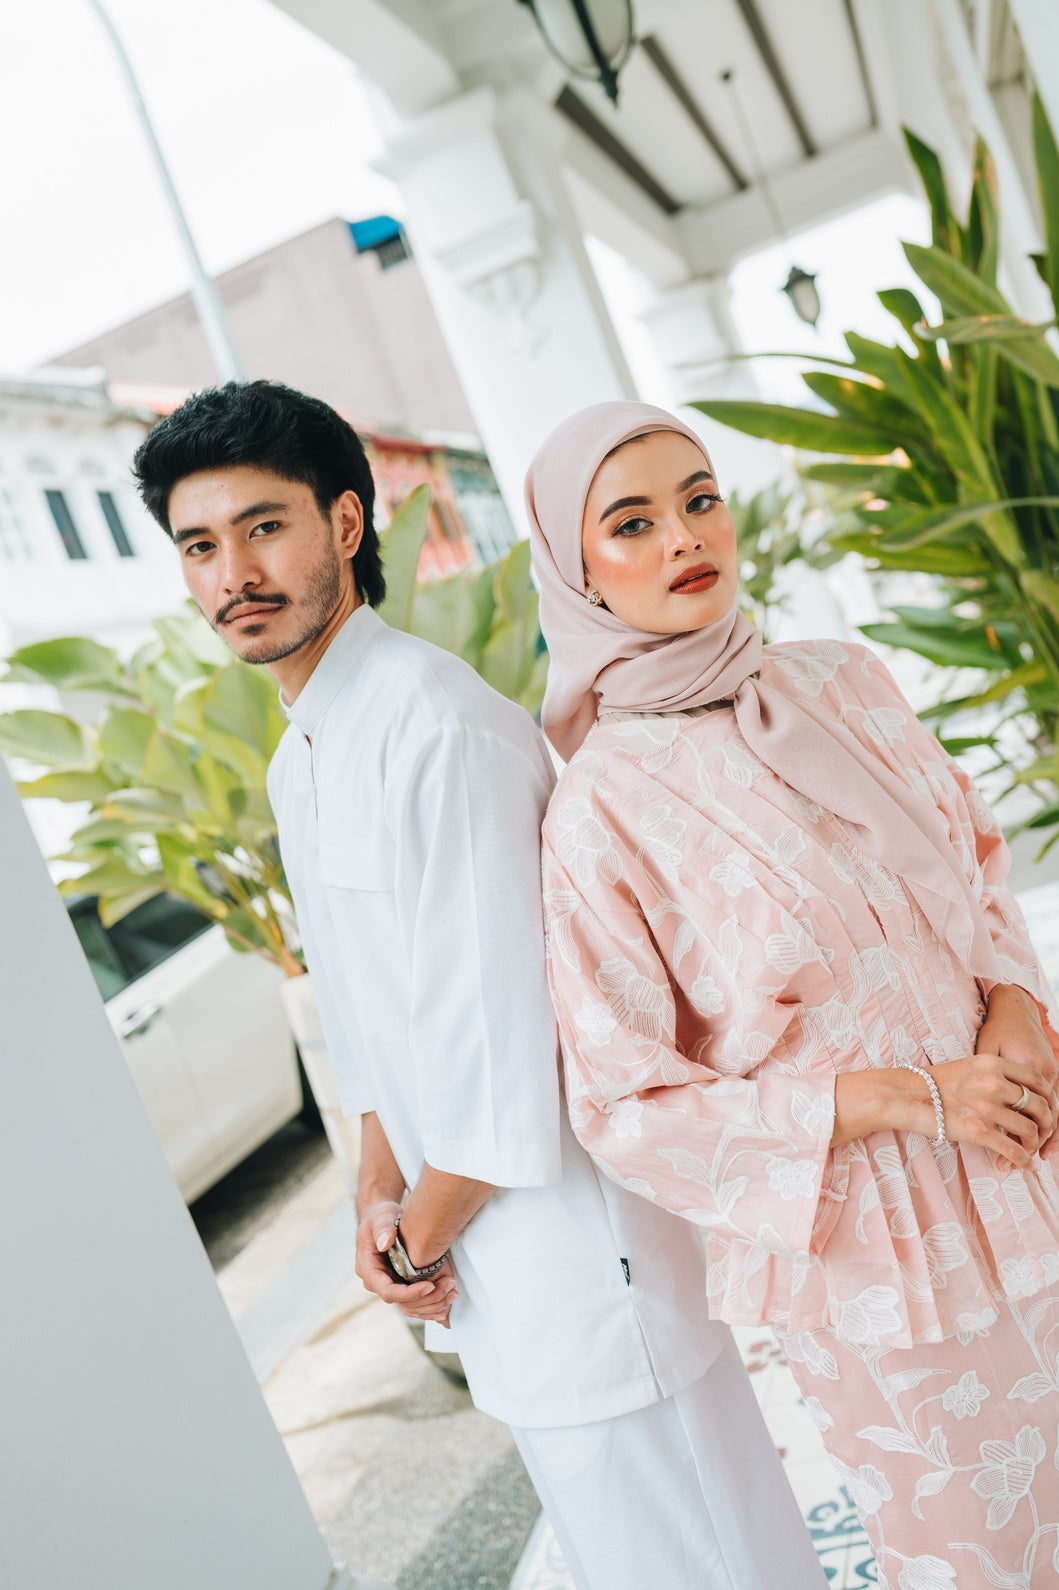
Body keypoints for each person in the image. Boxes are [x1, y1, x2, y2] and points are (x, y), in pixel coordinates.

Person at [132, 380, 826, 1590]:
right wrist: (375, 1195)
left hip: (585, 1267)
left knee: (715, 1565)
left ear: (346, 523)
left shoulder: (439, 728)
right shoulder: (305, 759)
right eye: (200, 546)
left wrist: (410, 1247)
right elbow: (368, 1022)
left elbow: (511, 1057)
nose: (233, 573)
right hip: (491, 1272)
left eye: (264, 527)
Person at [528, 399, 1059, 1590]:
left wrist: (1017, 1008)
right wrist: (907, 1099)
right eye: (632, 523)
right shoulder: (602, 811)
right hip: (879, 1242)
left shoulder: (847, 681)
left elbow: (975, 863)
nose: (682, 537)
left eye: (699, 500)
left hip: (1029, 1144)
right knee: (981, 1551)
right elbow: (625, 1103)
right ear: (578, 571)